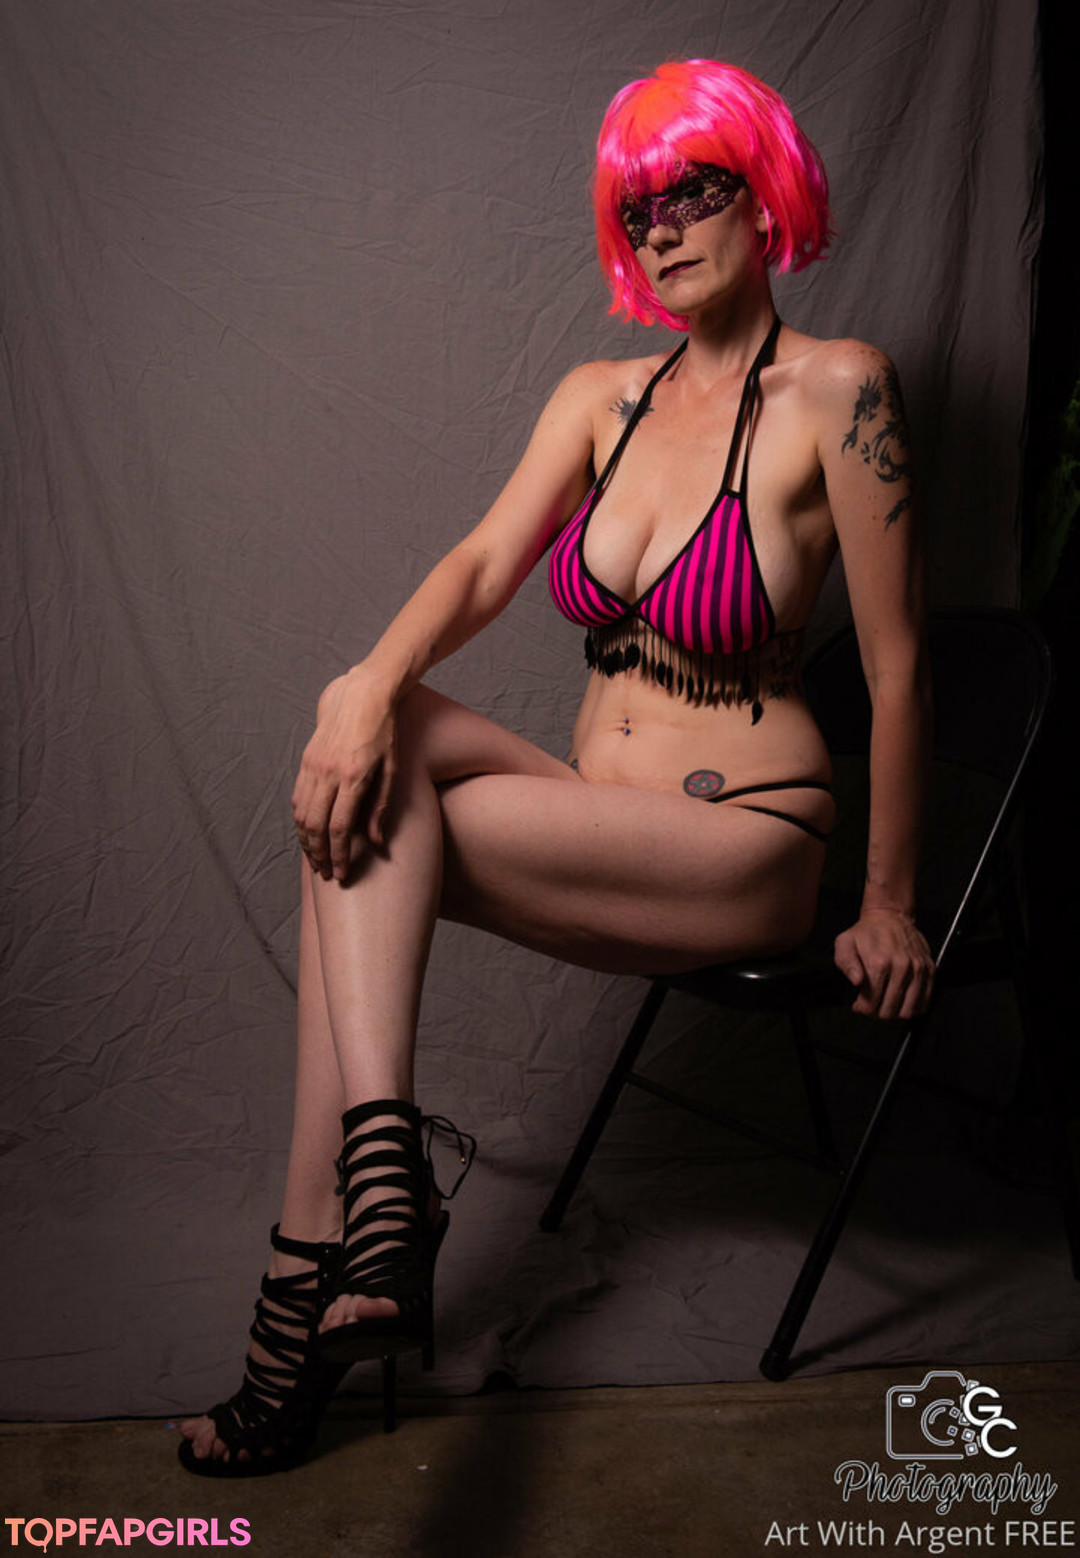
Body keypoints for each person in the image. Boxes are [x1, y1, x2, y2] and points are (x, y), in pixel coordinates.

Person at [178, 58, 934, 1476]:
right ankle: (380, 1203)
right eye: (638, 206)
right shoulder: (603, 399)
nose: (663, 226)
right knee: (361, 742)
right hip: (599, 812)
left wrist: (887, 902)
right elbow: (480, 564)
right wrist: (365, 688)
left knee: (363, 834)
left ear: (764, 197)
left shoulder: (841, 391)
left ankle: (324, 1269)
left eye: (693, 189)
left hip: (747, 838)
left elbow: (897, 669)